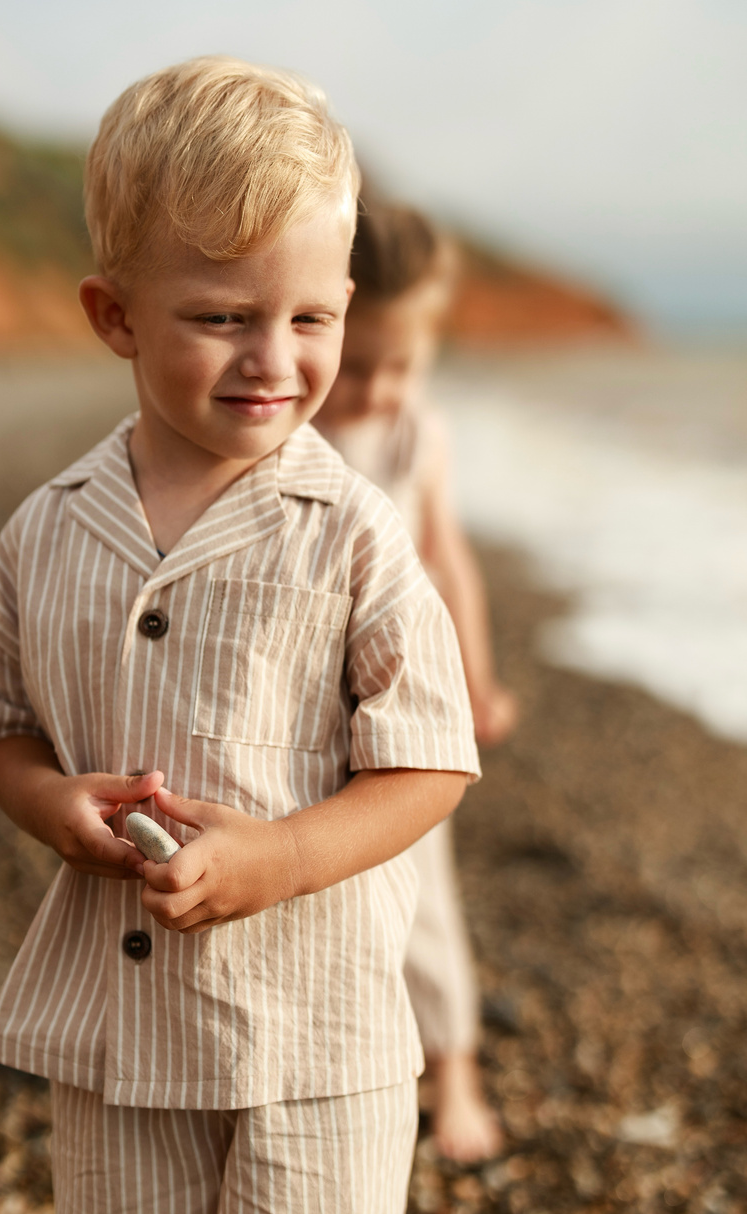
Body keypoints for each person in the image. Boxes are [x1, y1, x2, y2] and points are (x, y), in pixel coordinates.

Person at [0, 58, 480, 1214]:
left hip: (316, 1026)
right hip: (131, 1037)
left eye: (311, 317)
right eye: (221, 318)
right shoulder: (48, 529)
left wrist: (276, 855)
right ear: (113, 316)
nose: (276, 360)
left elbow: (430, 763)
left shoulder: (351, 535)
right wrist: (51, 803)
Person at [315, 198, 518, 1164]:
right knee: (310, 880)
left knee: (422, 883)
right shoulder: (283, 430)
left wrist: (475, 681)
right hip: (303, 706)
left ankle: (455, 1070)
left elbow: (449, 557)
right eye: (358, 365)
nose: (379, 387)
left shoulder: (412, 436)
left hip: (401, 708)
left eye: (403, 366)